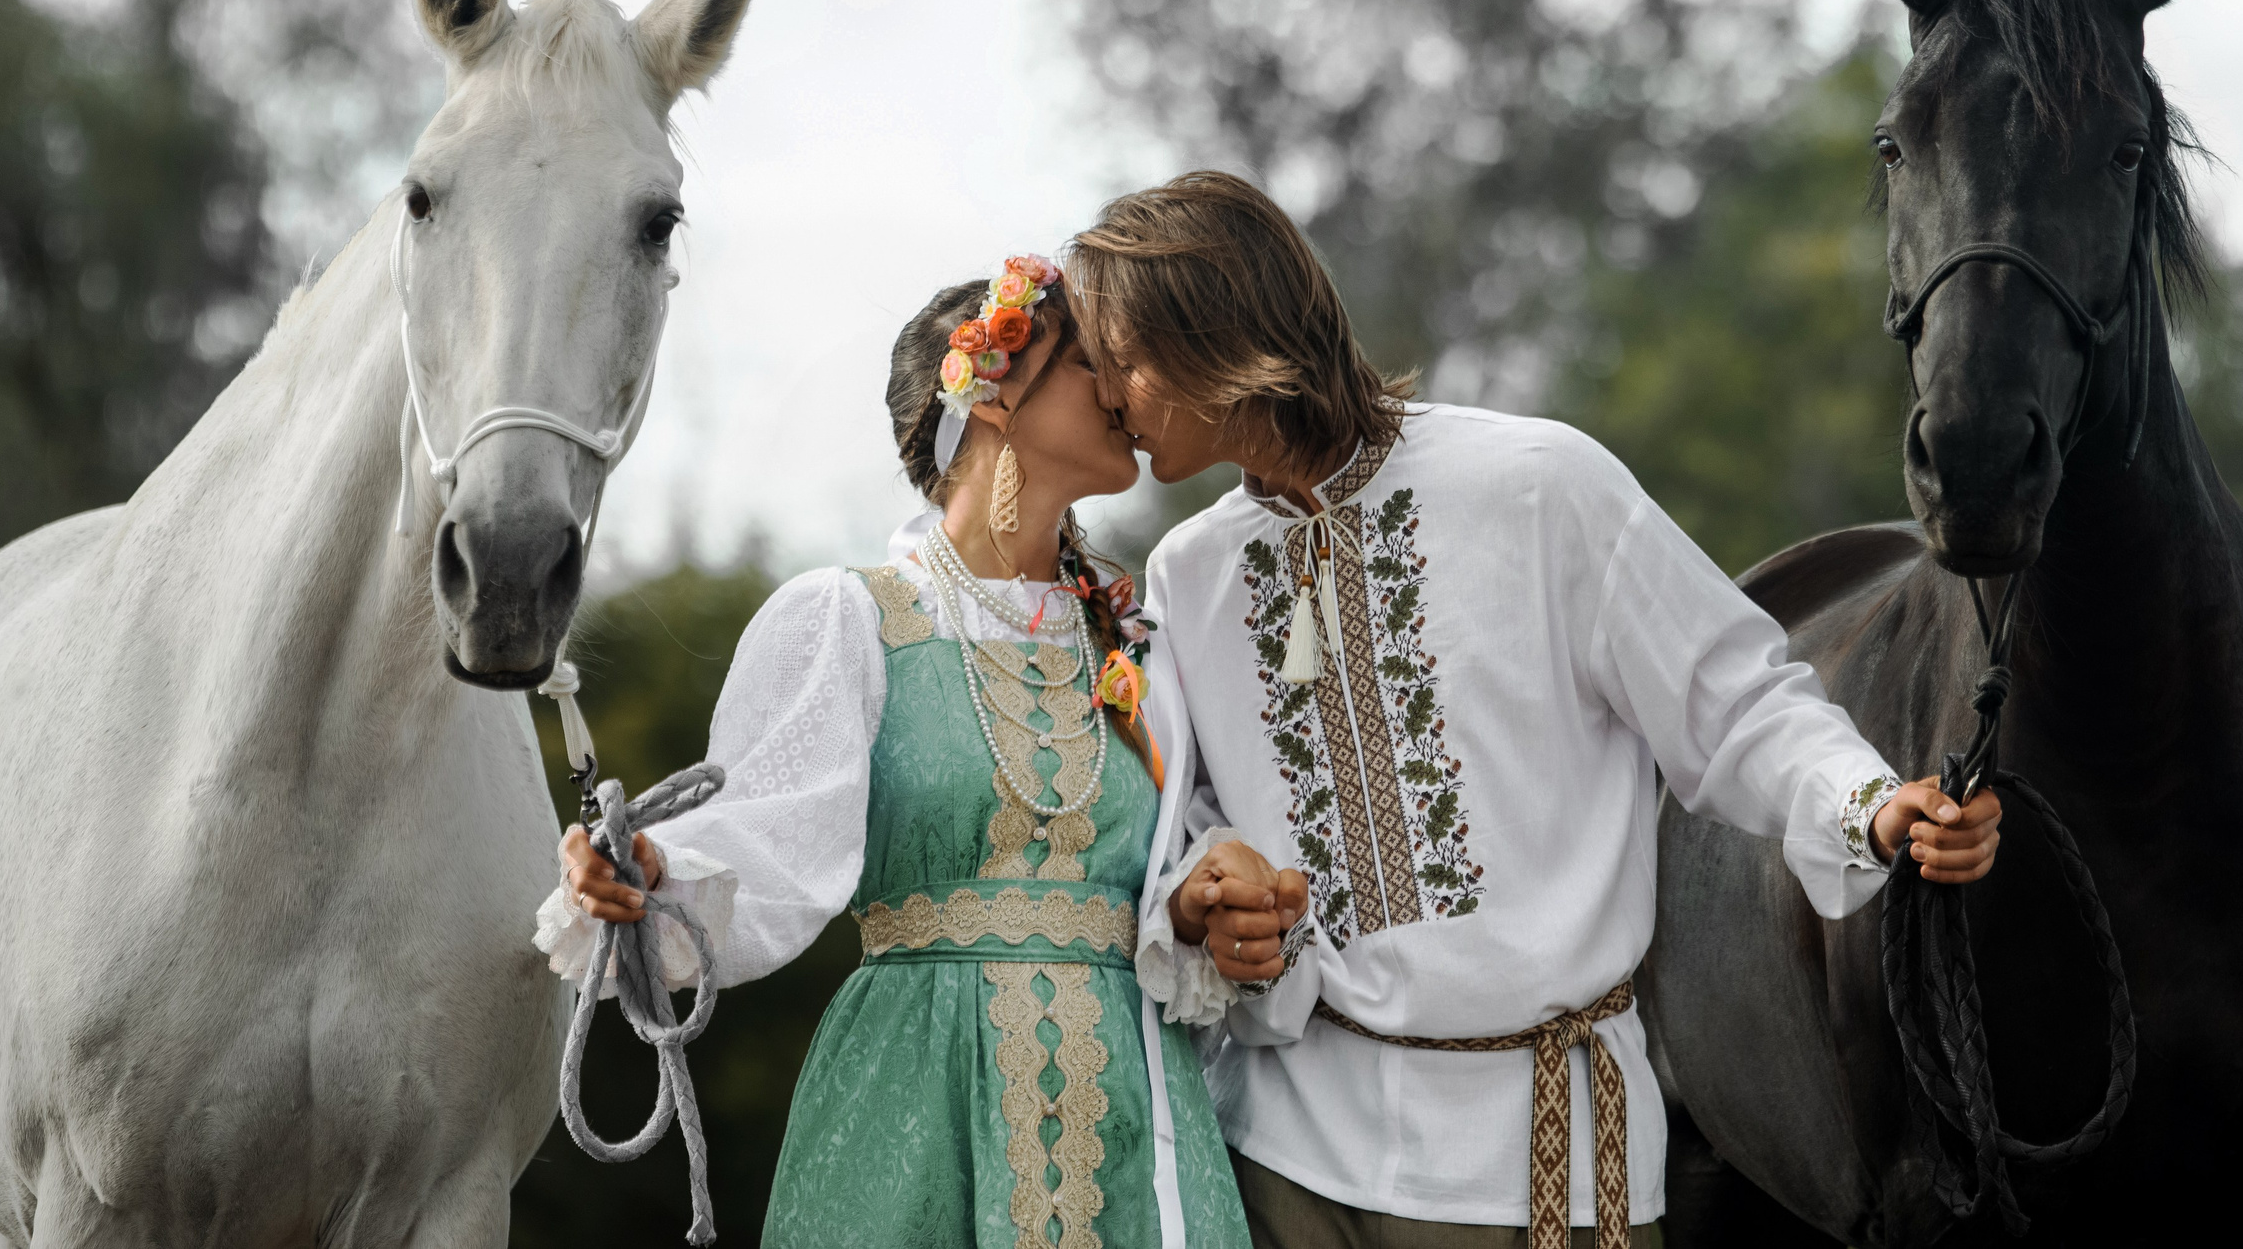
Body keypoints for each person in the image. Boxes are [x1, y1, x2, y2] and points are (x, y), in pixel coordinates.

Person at [1064, 174, 2004, 1249]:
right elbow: (1191, 819)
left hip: (1540, 1166)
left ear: (1211, 331)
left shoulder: (1537, 486)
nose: (1110, 397)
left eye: (1122, 357)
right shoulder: (1189, 573)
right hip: (1287, 1158)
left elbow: (1732, 698)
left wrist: (1871, 805)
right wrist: (1207, 897)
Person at [550, 256, 1261, 1248]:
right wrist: (658, 865)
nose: (1123, 389)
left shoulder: (1135, 638)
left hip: (1130, 1114)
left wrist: (1197, 902)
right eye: (1090, 361)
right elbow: (768, 829)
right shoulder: (852, 618)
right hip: (918, 1100)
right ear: (992, 391)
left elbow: (1176, 855)